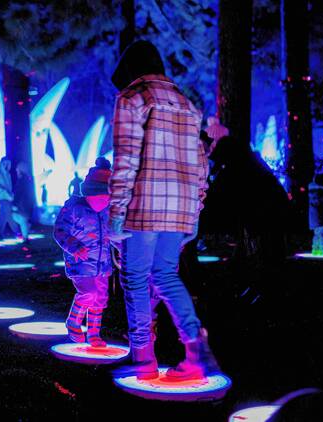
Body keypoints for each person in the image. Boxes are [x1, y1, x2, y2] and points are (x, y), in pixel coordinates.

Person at [107, 40, 219, 381]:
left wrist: (115, 214)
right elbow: (201, 164)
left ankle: (143, 358)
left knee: (135, 279)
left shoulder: (132, 98)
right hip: (179, 208)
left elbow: (125, 160)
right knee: (166, 275)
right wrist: (195, 213)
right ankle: (197, 350)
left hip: (144, 204)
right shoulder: (188, 105)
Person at [54, 161, 113, 347]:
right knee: (88, 293)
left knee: (100, 298)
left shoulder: (108, 211)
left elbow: (113, 234)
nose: (105, 202)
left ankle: (94, 333)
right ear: (90, 193)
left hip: (102, 264)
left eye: (108, 199)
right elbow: (59, 231)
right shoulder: (73, 209)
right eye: (102, 198)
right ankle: (73, 322)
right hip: (81, 263)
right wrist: (74, 247)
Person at [0, 157, 19, 239]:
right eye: (4, 163)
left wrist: (11, 195)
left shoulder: (7, 174)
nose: (6, 165)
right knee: (8, 215)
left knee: (4, 215)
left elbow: (9, 186)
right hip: (3, 197)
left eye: (8, 164)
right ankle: (16, 231)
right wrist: (8, 196)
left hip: (9, 197)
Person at [12, 161, 33, 241]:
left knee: (21, 220)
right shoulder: (28, 179)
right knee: (23, 221)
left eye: (18, 168)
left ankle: (24, 236)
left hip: (22, 205)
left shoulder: (22, 180)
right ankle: (25, 235)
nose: (16, 170)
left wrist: (14, 204)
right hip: (26, 205)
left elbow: (19, 193)